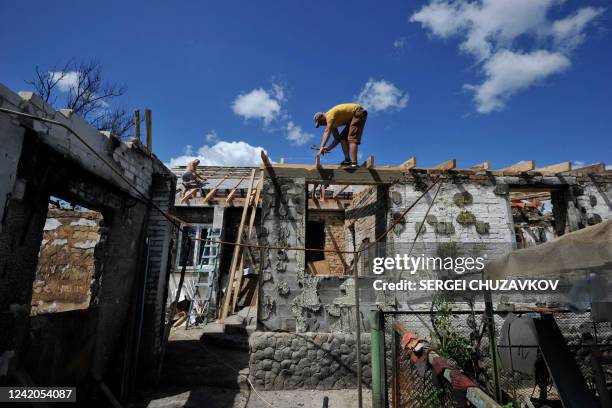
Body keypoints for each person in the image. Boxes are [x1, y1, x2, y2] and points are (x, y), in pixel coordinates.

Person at [313, 103, 368, 168]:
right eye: (320, 124)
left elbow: (327, 131)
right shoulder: (332, 125)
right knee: (343, 139)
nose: (322, 124)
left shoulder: (329, 115)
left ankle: (354, 164)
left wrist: (322, 146)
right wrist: (328, 148)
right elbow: (337, 139)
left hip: (358, 112)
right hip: (352, 119)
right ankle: (347, 160)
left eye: (321, 122)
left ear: (322, 116)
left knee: (351, 138)